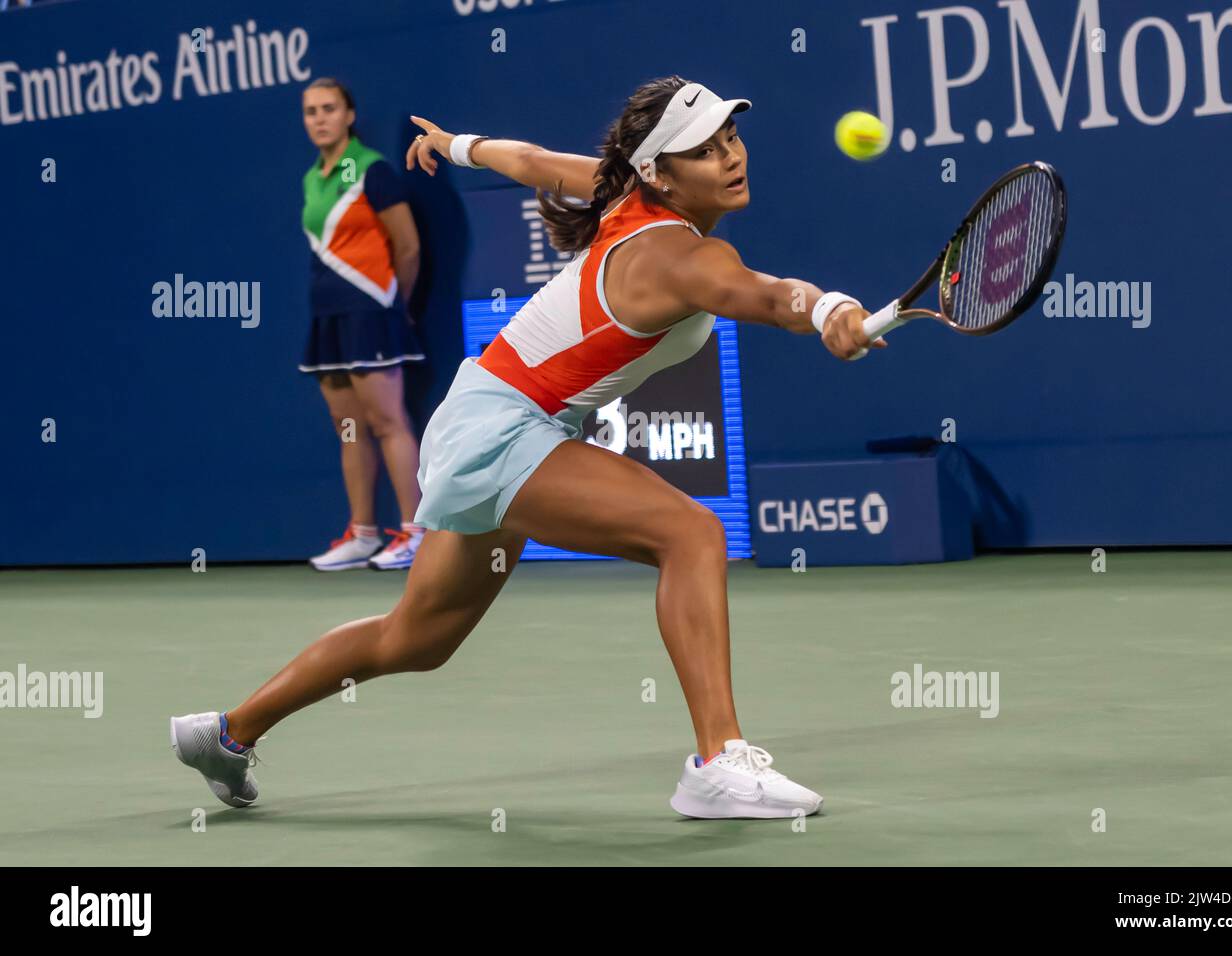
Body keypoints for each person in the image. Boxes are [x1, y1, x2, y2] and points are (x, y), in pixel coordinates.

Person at [171, 76, 884, 819]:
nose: (731, 158)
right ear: (660, 172)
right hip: (504, 428)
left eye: (730, 139)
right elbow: (772, 297)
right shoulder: (682, 257)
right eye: (703, 151)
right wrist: (830, 307)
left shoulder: (619, 191)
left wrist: (454, 146)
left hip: (485, 415)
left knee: (416, 638)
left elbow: (533, 160)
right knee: (693, 534)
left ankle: (226, 733)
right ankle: (718, 762)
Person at [299, 77, 427, 571]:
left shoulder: (373, 171)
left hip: (372, 313)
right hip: (327, 316)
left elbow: (408, 246)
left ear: (349, 115)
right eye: (311, 111)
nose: (320, 119)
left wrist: (398, 304)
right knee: (349, 428)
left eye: (329, 108)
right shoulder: (310, 178)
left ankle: (415, 532)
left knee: (387, 421)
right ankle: (363, 534)